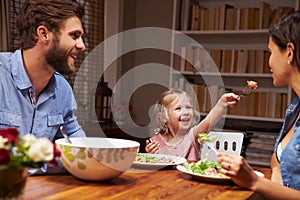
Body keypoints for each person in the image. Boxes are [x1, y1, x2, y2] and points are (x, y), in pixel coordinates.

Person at [216, 11, 300, 199]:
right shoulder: (295, 109)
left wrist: (254, 181)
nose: (268, 62)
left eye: (270, 52)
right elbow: (277, 163)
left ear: (289, 52)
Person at [0, 0, 86, 173]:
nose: (82, 46)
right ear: (44, 34)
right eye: (74, 36)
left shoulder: (62, 89)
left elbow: (81, 152)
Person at [145, 89, 239, 161]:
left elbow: (208, 121)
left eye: (188, 107)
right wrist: (150, 155)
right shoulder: (155, 141)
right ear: (164, 117)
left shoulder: (192, 135)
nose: (186, 112)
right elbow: (152, 168)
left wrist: (222, 103)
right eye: (178, 108)